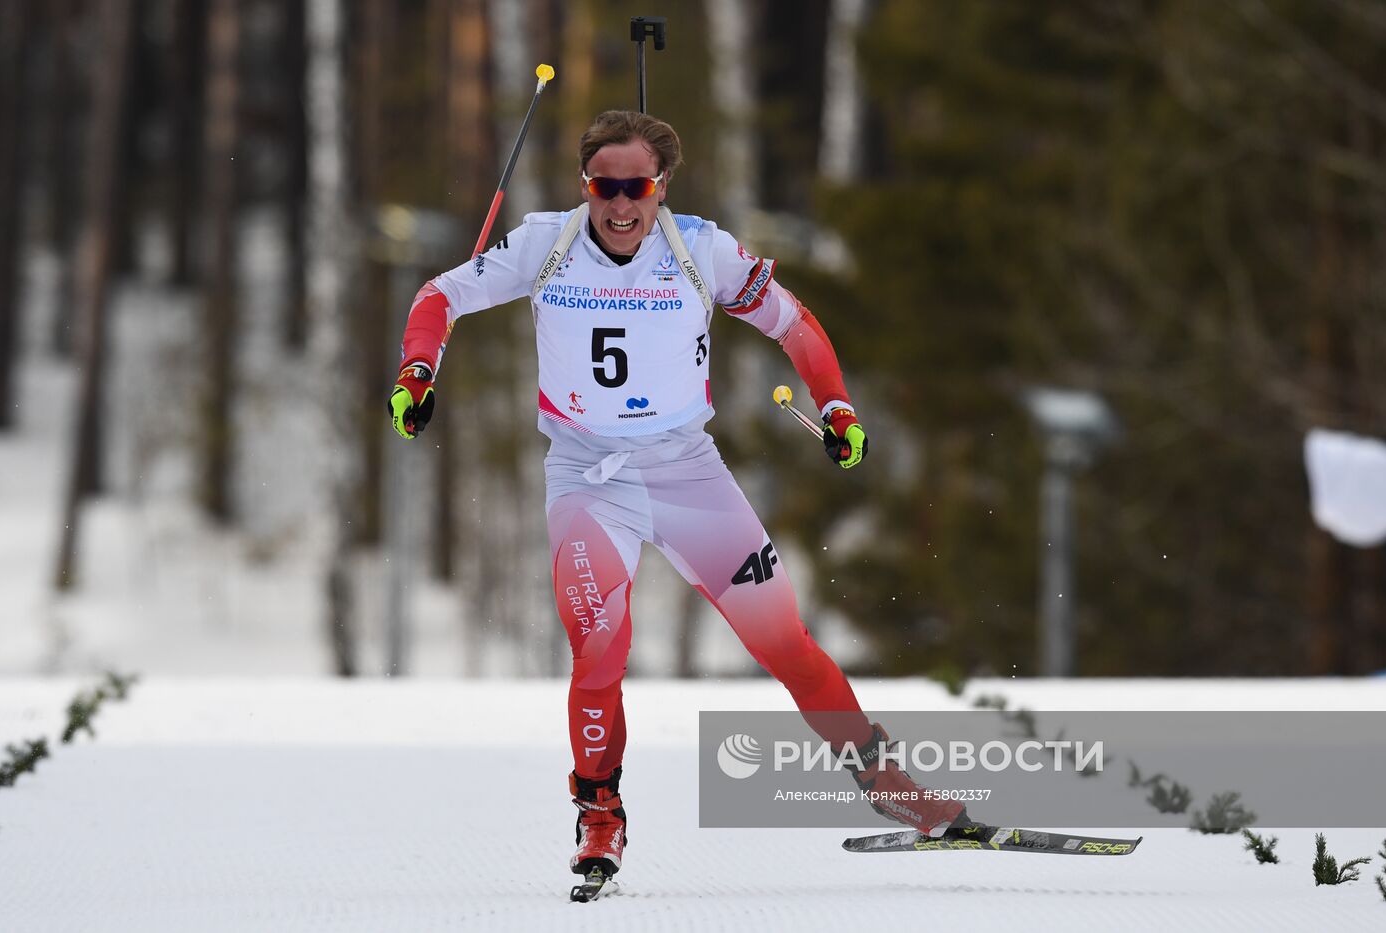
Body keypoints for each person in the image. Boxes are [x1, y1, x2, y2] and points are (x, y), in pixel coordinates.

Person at [388, 110, 970, 881]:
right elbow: (439, 296)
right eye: (604, 186)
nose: (620, 205)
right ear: (584, 184)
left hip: (687, 471)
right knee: (600, 648)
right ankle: (600, 815)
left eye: (637, 187)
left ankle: (882, 778)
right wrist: (416, 374)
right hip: (589, 476)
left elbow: (794, 325)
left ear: (663, 186)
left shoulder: (701, 249)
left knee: (784, 643)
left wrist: (835, 404)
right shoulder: (546, 242)